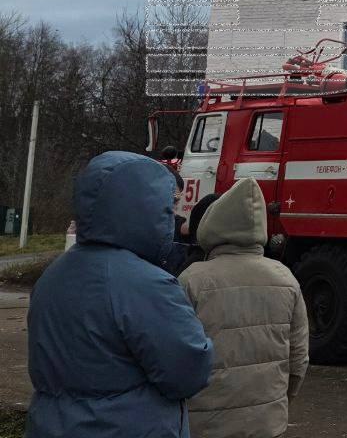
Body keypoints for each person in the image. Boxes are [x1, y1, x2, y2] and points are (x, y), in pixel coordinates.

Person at [26, 151, 213, 438]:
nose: (173, 213)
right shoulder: (146, 284)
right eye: (170, 204)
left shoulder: (54, 274)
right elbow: (188, 373)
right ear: (147, 208)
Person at [180, 178, 309, 438]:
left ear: (211, 225)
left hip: (204, 425)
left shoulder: (192, 280)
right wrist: (278, 404)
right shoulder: (286, 279)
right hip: (267, 424)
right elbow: (298, 359)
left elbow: (176, 356)